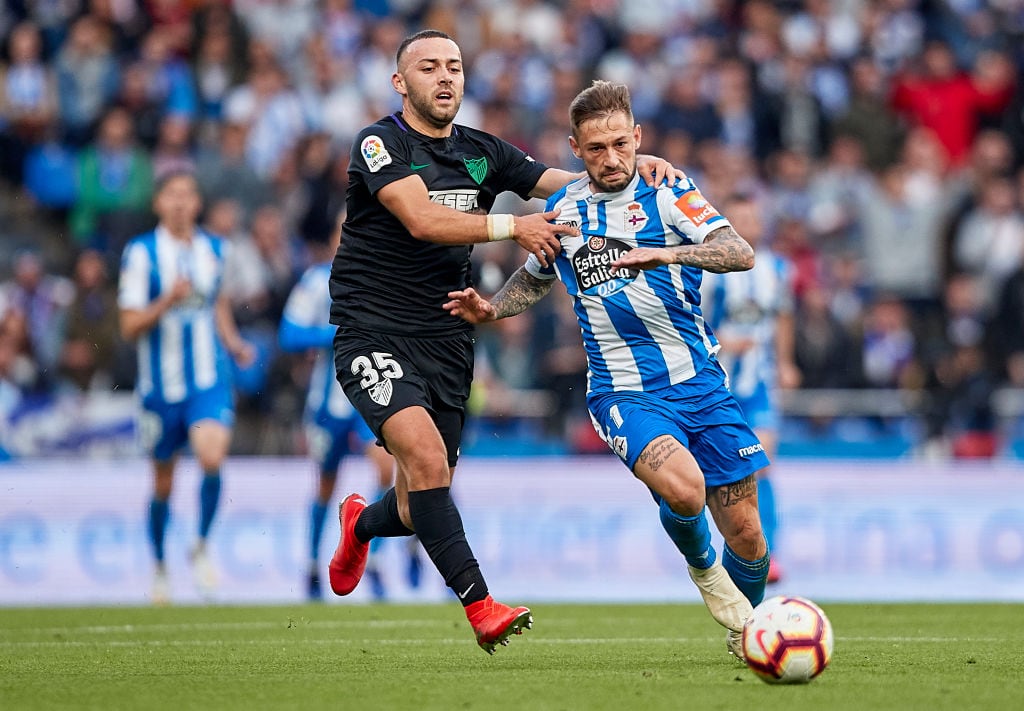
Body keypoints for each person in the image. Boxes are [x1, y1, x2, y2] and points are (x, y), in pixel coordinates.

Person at [326, 30, 683, 654]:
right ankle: (481, 606)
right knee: (430, 464)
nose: (445, 77)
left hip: (449, 336)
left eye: (455, 67)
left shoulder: (483, 151)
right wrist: (511, 225)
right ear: (399, 82)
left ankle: (361, 522)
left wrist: (632, 173)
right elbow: (421, 218)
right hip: (372, 331)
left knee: (415, 504)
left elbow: (571, 186)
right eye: (429, 67)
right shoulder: (380, 143)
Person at [444, 80, 771, 660]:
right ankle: (706, 576)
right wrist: (491, 309)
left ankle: (744, 638)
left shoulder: (669, 192)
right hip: (624, 392)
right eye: (596, 148)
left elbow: (739, 252)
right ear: (575, 148)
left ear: (638, 138)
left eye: (621, 144)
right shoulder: (564, 213)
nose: (612, 158)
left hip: (702, 383)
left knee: (746, 533)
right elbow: (534, 279)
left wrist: (665, 252)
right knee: (686, 488)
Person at [118, 171, 255, 605]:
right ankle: (159, 566)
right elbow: (128, 325)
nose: (179, 203)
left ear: (197, 204)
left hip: (208, 381)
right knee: (162, 483)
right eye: (171, 196)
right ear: (158, 204)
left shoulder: (216, 249)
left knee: (211, 456)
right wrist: (167, 300)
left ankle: (199, 544)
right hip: (159, 389)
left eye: (187, 195)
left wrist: (233, 343)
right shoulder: (141, 254)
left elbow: (218, 304)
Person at [279, 217, 420, 601]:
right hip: (328, 405)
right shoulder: (316, 280)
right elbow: (288, 334)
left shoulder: (387, 276)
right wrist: (337, 333)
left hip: (374, 398)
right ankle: (311, 563)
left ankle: (373, 557)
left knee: (385, 470)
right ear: (332, 238)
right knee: (325, 484)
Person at [700, 194, 800, 584]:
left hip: (758, 383)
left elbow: (784, 317)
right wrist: (722, 340)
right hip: (716, 385)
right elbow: (693, 321)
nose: (745, 225)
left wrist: (787, 362)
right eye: (737, 218)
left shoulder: (777, 269)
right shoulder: (709, 272)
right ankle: (729, 553)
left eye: (751, 218)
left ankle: (767, 554)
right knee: (722, 475)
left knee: (762, 465)